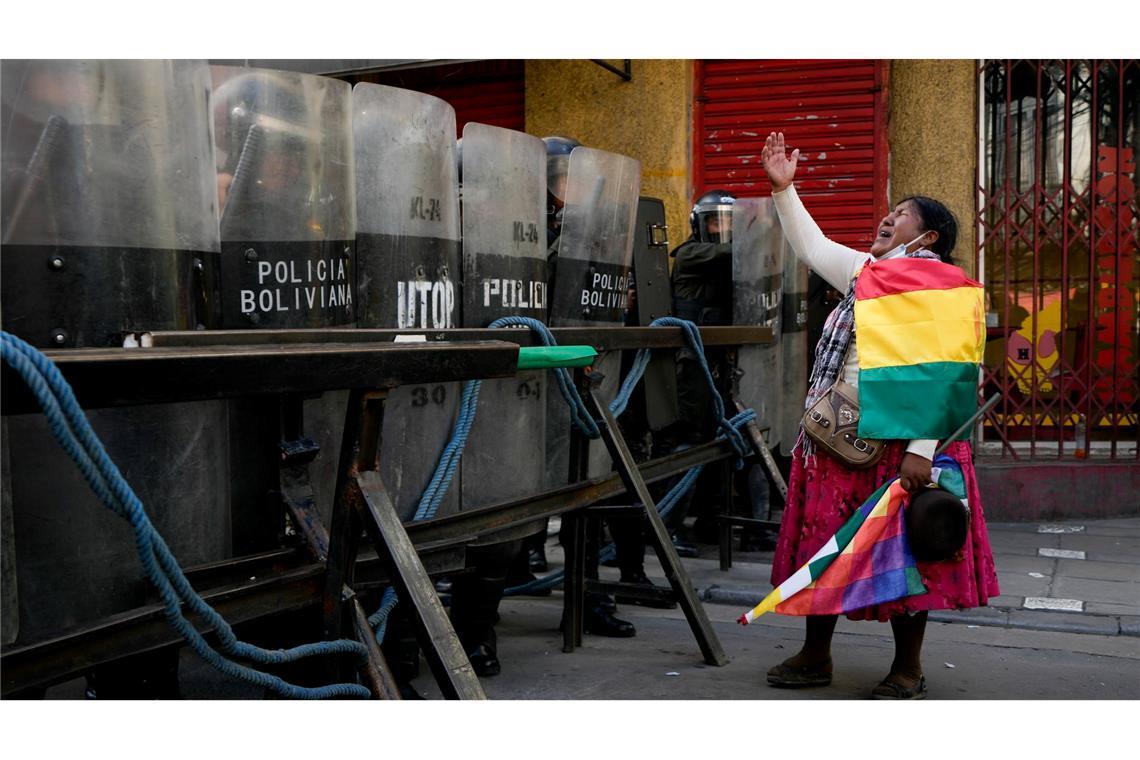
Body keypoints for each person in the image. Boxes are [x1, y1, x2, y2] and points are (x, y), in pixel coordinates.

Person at [759, 131, 999, 699]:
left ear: (929, 236)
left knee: (907, 553)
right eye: (888, 212)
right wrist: (784, 190)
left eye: (902, 215)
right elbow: (813, 247)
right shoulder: (867, 272)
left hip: (903, 448)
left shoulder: (948, 289)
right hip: (841, 438)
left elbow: (947, 376)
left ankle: (908, 668)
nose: (887, 219)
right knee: (828, 547)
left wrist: (920, 450)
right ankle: (816, 656)